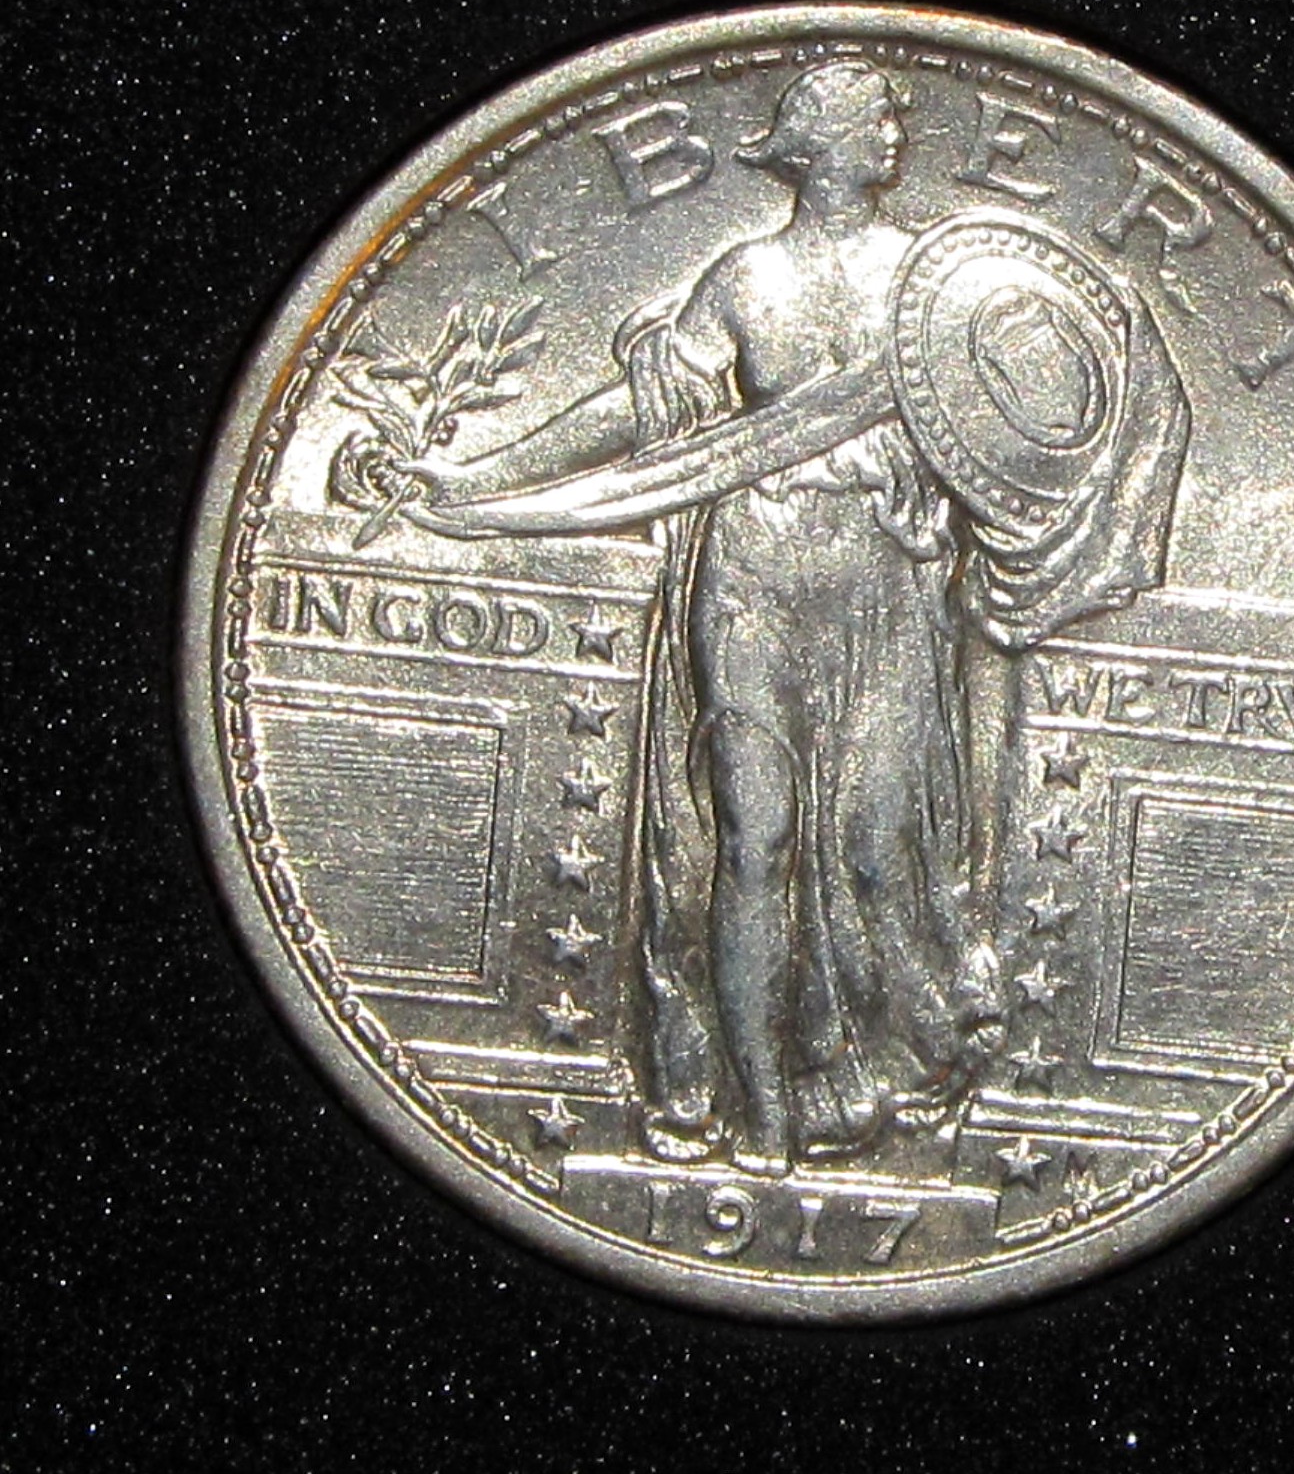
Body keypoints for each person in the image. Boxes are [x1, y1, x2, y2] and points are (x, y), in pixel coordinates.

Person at [399, 62, 1006, 1173]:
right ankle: (758, 1109)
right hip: (754, 576)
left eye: (893, 114)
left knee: (880, 846)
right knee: (753, 839)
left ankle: (884, 1068)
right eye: (874, 116)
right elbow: (637, 417)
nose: (895, 129)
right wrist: (479, 482)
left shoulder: (934, 280)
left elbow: (1012, 420)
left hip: (883, 583)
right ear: (816, 146)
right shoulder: (744, 279)